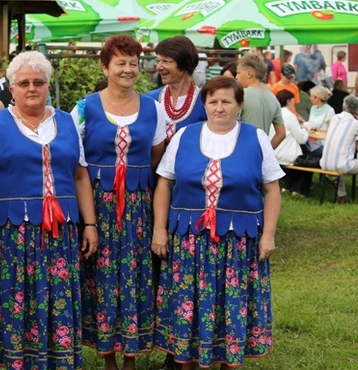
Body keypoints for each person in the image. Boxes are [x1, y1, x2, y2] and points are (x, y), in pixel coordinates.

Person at [0, 50, 98, 370]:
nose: (32, 88)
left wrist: (90, 224)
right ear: (11, 89)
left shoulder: (67, 122)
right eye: (24, 82)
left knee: (56, 299)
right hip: (11, 235)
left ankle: (54, 360)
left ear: (47, 85)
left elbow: (80, 175)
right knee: (17, 299)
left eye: (38, 82)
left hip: (60, 235)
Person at [152, 76, 283, 369]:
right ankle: (186, 362)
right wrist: (159, 229)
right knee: (190, 305)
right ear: (205, 104)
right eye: (213, 101)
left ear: (239, 105)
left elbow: (272, 189)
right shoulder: (185, 135)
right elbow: (164, 184)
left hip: (238, 243)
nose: (219, 108)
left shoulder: (256, 137)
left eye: (226, 101)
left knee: (231, 306)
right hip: (189, 241)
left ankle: (228, 362)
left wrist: (269, 234)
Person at [70, 35, 166, 370]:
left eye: (133, 63)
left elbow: (157, 159)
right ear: (105, 66)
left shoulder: (153, 109)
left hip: (138, 207)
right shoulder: (84, 108)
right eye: (120, 63)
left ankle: (131, 356)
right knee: (101, 277)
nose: (128, 70)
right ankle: (107, 355)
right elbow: (75, 161)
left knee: (135, 276)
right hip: (96, 205)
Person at [147, 36, 207, 144]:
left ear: (184, 63)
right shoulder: (151, 99)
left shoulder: (205, 101)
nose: (158, 67)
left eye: (166, 61)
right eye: (158, 61)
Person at [236, 54, 286, 149]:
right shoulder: (273, 98)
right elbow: (281, 134)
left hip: (242, 152)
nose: (236, 77)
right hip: (261, 154)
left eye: (238, 73)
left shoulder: (241, 95)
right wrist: (266, 151)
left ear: (249, 74)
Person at [320, 95, 358, 204]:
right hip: (342, 165)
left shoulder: (335, 118)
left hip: (324, 163)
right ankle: (342, 196)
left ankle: (342, 196)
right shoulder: (355, 123)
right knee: (342, 162)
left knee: (339, 158)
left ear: (343, 106)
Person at [272, 90, 311, 196]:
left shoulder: (274, 113)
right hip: (286, 154)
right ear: (288, 101)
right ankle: (299, 190)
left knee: (301, 160)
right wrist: (306, 129)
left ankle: (287, 187)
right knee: (308, 162)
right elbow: (301, 139)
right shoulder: (289, 116)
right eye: (293, 100)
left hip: (274, 152)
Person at [303, 85, 335, 158]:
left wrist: (316, 130)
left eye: (311, 96)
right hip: (311, 142)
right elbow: (310, 123)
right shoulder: (313, 108)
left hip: (323, 144)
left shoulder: (329, 110)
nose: (310, 98)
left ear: (317, 98)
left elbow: (332, 130)